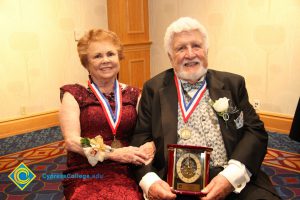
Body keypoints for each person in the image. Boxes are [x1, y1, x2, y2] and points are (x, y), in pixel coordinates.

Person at [131, 17, 280, 200]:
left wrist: (230, 177)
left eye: (196, 46)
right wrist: (150, 181)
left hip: (230, 175)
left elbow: (255, 131)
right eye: (181, 48)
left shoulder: (233, 84)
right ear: (170, 57)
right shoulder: (153, 89)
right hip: (173, 183)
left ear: (206, 51)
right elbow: (140, 139)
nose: (190, 54)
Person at [59, 29, 154, 200]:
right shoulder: (73, 94)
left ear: (119, 58)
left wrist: (150, 145)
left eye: (111, 54)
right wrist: (113, 153)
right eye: (97, 56)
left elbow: (149, 131)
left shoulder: (135, 94)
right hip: (87, 168)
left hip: (128, 166)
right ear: (86, 63)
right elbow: (72, 142)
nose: (106, 60)